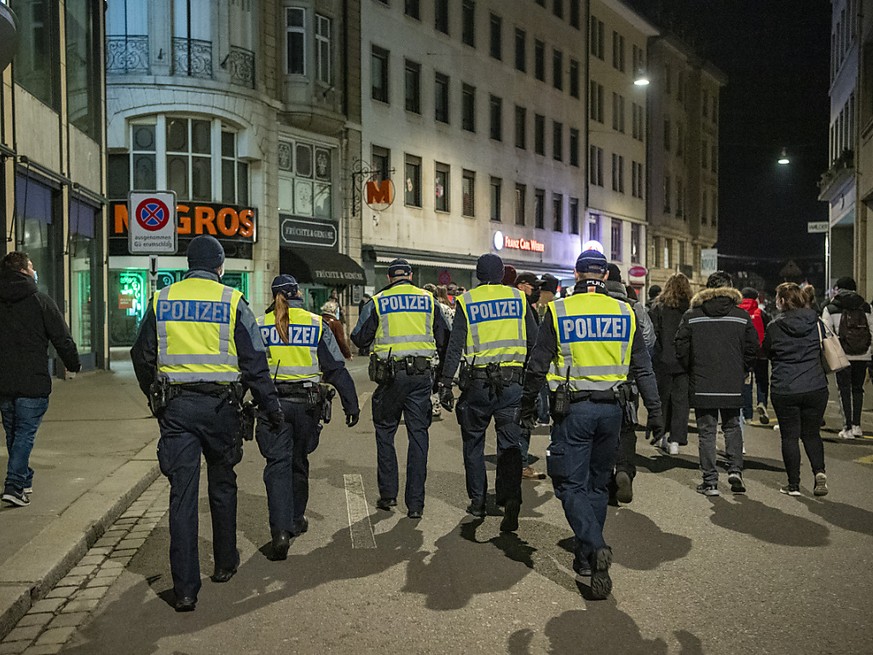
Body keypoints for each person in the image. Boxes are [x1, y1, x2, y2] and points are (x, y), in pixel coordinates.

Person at [130, 235, 283, 612]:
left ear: (187, 265)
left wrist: (155, 396)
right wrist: (271, 407)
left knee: (182, 495)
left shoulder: (162, 298)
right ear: (219, 266)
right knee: (222, 483)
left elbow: (141, 353)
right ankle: (225, 563)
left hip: (177, 409)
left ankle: (184, 590)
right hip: (221, 408)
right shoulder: (232, 300)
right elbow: (254, 361)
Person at [519, 250, 663, 600]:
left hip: (573, 412)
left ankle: (595, 545)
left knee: (569, 484)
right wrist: (656, 413)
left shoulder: (560, 310)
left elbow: (538, 365)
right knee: (598, 486)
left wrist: (525, 407)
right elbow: (642, 367)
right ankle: (585, 562)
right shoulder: (625, 311)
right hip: (613, 412)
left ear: (577, 274)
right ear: (605, 275)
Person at [256, 275, 359, 557]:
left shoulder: (260, 324)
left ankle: (279, 532)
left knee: (277, 465)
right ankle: (295, 520)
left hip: (272, 404)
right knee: (298, 463)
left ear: (274, 295)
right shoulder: (316, 323)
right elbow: (335, 368)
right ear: (298, 293)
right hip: (305, 405)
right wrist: (351, 404)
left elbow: (249, 367)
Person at [437, 254, 538, 530]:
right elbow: (534, 339)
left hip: (478, 385)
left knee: (473, 443)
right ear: (502, 273)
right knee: (509, 444)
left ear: (479, 275)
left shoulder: (467, 301)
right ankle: (510, 498)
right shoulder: (519, 299)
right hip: (512, 383)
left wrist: (446, 382)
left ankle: (478, 501)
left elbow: (455, 344)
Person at [350, 258, 450, 518]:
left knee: (385, 432)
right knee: (418, 437)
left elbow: (359, 337)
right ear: (410, 276)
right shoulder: (430, 301)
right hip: (420, 377)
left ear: (389, 277)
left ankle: (388, 495)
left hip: (390, 377)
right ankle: (415, 505)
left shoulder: (378, 302)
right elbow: (445, 339)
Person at [0, 252, 81, 507]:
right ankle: (14, 485)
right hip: (32, 382)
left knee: (14, 434)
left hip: (4, 383)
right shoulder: (41, 301)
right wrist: (73, 365)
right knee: (24, 435)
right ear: (24, 271)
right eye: (32, 266)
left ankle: (23, 478)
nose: (35, 270)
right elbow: (62, 338)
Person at [674, 271, 759, 496]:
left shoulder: (692, 316)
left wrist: (691, 368)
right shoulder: (741, 316)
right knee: (732, 426)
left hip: (702, 381)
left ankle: (710, 482)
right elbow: (753, 348)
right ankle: (735, 470)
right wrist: (742, 369)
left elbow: (680, 347)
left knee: (707, 431)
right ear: (730, 288)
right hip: (732, 381)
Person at [762, 283, 829, 496]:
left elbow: (766, 351)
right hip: (816, 386)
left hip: (785, 387)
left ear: (782, 301)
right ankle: (819, 472)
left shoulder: (774, 326)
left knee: (789, 436)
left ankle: (793, 485)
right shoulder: (816, 322)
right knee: (811, 434)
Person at [605, 264, 655, 505]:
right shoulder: (633, 307)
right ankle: (624, 469)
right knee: (626, 428)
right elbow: (648, 338)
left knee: (602, 432)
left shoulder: (595, 306)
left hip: (598, 380)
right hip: (628, 381)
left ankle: (605, 480)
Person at [821, 276, 873, 439]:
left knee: (844, 390)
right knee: (858, 389)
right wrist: (869, 350)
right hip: (863, 354)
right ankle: (857, 426)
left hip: (842, 355)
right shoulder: (866, 307)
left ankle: (847, 427)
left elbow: (826, 333)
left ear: (838, 289)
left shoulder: (831, 307)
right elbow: (871, 330)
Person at [648, 273, 692, 456]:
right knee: (681, 402)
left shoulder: (658, 307)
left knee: (662, 400)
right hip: (684, 363)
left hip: (663, 361)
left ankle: (661, 435)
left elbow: (652, 335)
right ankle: (676, 440)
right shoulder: (690, 309)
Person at [514, 272, 546, 479]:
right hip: (524, 370)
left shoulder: (521, 306)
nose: (538, 291)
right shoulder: (522, 306)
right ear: (522, 285)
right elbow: (533, 340)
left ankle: (516, 461)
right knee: (526, 415)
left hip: (514, 369)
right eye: (534, 287)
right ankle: (521, 463)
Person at [739, 287, 772, 425]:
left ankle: (747, 415)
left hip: (744, 353)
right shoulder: (761, 313)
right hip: (761, 353)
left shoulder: (738, 312)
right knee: (762, 380)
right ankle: (762, 402)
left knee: (746, 382)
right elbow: (769, 331)